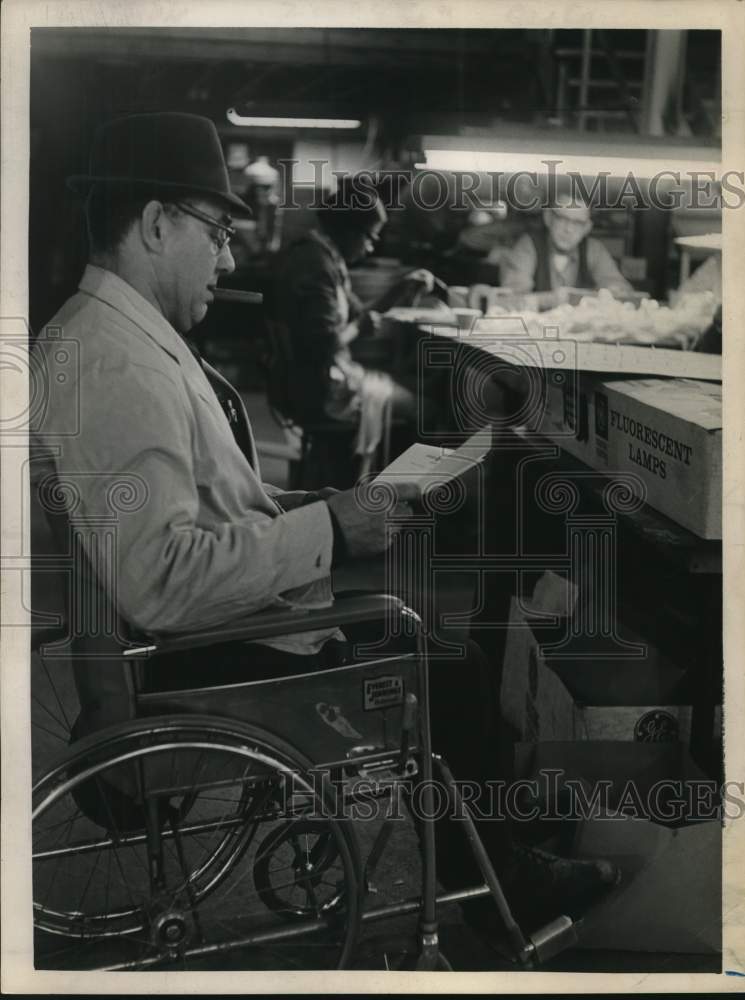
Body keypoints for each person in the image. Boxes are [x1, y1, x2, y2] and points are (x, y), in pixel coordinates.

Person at [32, 112, 618, 947]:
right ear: (156, 223)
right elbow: (160, 578)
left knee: (413, 625)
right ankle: (499, 885)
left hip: (198, 637)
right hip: (207, 659)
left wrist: (313, 504)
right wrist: (332, 532)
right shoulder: (116, 362)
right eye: (217, 233)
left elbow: (195, 506)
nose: (230, 258)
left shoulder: (109, 337)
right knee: (450, 661)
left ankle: (497, 840)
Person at [271, 177, 444, 442]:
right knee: (427, 409)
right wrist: (358, 330)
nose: (371, 246)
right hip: (320, 392)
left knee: (416, 385)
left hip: (319, 381)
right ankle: (387, 477)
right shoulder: (316, 266)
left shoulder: (325, 257)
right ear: (349, 230)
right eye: (370, 237)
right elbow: (322, 344)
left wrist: (402, 287)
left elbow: (359, 314)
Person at [497, 197, 633, 308]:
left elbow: (623, 293)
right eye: (562, 219)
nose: (568, 229)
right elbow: (511, 299)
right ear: (548, 217)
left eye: (578, 223)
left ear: (587, 227)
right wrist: (554, 299)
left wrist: (613, 291)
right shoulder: (528, 245)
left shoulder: (594, 250)